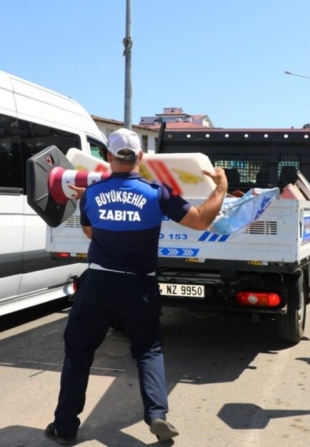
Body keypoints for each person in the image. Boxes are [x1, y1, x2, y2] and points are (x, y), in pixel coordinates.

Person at [44, 128, 228, 446]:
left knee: (78, 351)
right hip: (140, 285)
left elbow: (91, 234)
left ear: (109, 157)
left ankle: (65, 426)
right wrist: (221, 188)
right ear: (140, 158)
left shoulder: (92, 193)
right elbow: (200, 221)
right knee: (148, 349)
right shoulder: (157, 193)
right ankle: (157, 414)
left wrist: (86, 201)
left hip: (99, 282)